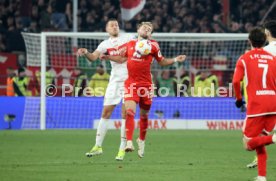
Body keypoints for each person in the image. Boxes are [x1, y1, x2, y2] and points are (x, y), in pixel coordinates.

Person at [101, 22, 186, 158]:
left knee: (144, 115)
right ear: (138, 29)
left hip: (146, 86)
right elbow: (122, 58)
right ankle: (129, 142)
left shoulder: (154, 45)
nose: (146, 29)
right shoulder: (130, 44)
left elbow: (162, 61)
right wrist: (108, 56)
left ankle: (141, 140)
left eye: (149, 29)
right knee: (129, 112)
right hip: (131, 84)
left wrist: (176, 59)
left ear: (150, 34)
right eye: (144, 27)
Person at [77, 19, 133, 161]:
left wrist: (108, 56)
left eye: (116, 25)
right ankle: (97, 146)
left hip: (130, 80)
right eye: (111, 25)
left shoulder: (128, 38)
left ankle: (122, 149)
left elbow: (123, 58)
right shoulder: (105, 44)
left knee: (125, 113)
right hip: (114, 81)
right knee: (106, 112)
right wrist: (85, 52)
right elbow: (93, 58)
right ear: (107, 29)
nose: (114, 27)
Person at [233, 27, 276, 181]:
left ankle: (274, 139)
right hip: (273, 104)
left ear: (249, 41)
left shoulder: (245, 58)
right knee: (259, 143)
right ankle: (261, 177)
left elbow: (236, 81)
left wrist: (238, 99)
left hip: (257, 105)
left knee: (249, 144)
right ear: (264, 41)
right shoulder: (273, 59)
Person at [246, 20, 276, 169]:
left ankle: (259, 161)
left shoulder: (266, 52)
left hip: (268, 95)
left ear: (267, 33)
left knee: (256, 135)